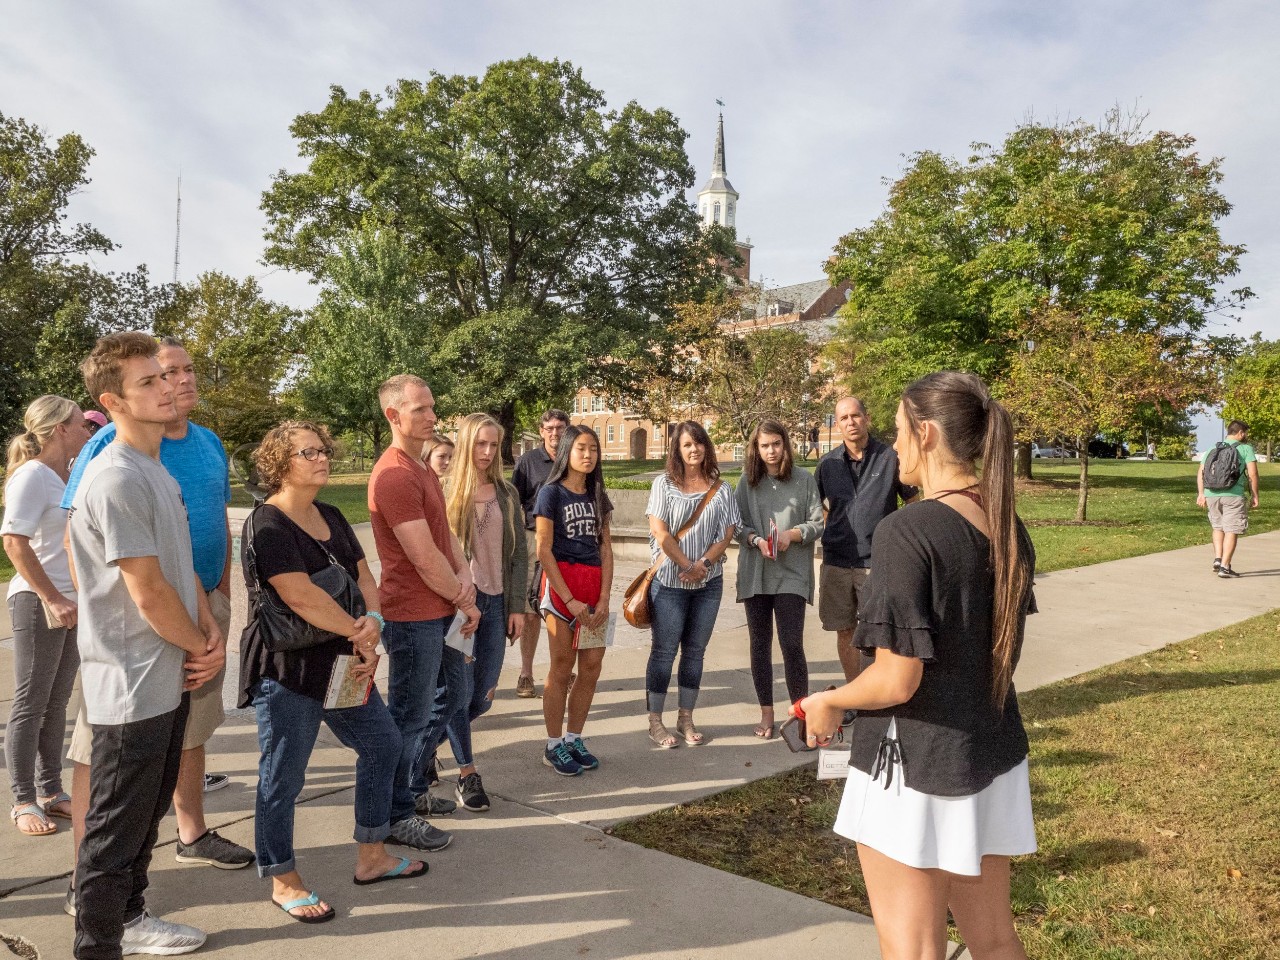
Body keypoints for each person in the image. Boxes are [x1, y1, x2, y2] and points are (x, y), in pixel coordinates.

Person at [794, 371, 1038, 960]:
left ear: (926, 434)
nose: (894, 444)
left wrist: (827, 701)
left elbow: (898, 677)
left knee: (912, 947)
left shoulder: (905, 530)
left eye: (900, 431)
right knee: (995, 939)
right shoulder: (1007, 525)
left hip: (914, 764)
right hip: (990, 752)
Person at [63, 338, 252, 898]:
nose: (178, 383)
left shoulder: (206, 443)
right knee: (99, 749)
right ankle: (90, 874)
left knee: (188, 732)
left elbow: (212, 517)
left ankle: (188, 831)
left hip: (197, 606)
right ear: (119, 398)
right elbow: (81, 535)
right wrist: (101, 607)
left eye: (186, 372)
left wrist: (216, 599)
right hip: (134, 628)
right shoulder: (110, 450)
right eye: (161, 376)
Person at [240, 421, 426, 923]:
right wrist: (358, 631)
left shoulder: (331, 515)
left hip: (344, 660)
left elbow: (366, 579)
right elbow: (299, 596)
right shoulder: (268, 525)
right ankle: (282, 878)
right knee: (282, 777)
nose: (321, 458)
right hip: (290, 670)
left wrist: (373, 626)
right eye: (307, 452)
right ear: (281, 463)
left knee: (383, 744)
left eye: (323, 450)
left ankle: (372, 855)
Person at [368, 374, 478, 846]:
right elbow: (421, 555)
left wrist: (466, 581)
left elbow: (444, 537)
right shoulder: (393, 474)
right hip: (413, 616)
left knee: (454, 697)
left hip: (443, 608)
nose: (433, 416)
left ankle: (412, 789)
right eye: (421, 409)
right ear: (394, 416)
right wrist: (462, 597)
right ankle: (395, 814)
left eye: (432, 407)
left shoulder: (422, 468)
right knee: (410, 715)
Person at [4, 396, 90, 836]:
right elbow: (14, 542)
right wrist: (53, 597)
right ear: (60, 428)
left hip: (70, 603)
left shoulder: (64, 476)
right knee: (30, 703)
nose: (87, 430)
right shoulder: (32, 476)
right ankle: (22, 800)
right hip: (39, 602)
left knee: (56, 703)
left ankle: (51, 791)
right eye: (81, 423)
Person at [441, 413, 529, 811]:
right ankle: (466, 773)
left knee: (482, 698)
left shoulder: (507, 493)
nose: (488, 452)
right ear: (465, 445)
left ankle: (421, 749)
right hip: (460, 606)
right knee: (458, 695)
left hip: (495, 605)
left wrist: (517, 607)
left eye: (494, 444)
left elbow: (518, 555)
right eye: (480, 444)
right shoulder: (444, 492)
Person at [644, 420, 739, 749]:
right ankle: (655, 721)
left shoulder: (721, 488)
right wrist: (686, 565)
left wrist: (704, 565)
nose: (694, 449)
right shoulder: (663, 484)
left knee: (695, 654)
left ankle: (686, 717)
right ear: (678, 450)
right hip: (669, 585)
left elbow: (727, 533)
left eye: (698, 443)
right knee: (664, 653)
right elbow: (660, 532)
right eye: (687, 444)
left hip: (708, 585)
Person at [816, 397, 917, 694]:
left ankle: (877, 696)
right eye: (843, 418)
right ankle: (855, 695)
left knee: (876, 633)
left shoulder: (890, 458)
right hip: (836, 561)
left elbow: (912, 502)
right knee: (844, 630)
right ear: (837, 423)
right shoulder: (827, 464)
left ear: (867, 418)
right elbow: (820, 508)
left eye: (855, 415)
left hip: (876, 561)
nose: (850, 422)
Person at [734, 419, 824, 740]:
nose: (771, 451)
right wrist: (756, 540)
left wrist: (793, 534)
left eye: (776, 444)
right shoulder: (747, 482)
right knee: (760, 645)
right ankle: (767, 713)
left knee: (791, 643)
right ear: (756, 449)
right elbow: (738, 526)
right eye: (764, 445)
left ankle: (800, 713)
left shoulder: (803, 480)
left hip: (792, 574)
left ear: (785, 445)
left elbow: (817, 522)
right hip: (756, 574)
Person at [532, 424, 613, 775]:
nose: (588, 455)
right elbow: (543, 550)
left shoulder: (598, 494)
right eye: (581, 448)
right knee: (561, 667)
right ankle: (553, 744)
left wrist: (605, 597)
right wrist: (569, 599)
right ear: (567, 451)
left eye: (593, 449)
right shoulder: (551, 493)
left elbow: (606, 549)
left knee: (591, 667)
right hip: (562, 587)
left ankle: (574, 737)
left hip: (594, 587)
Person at [511, 408, 569, 697]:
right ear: (541, 430)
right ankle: (526, 673)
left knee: (563, 608)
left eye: (560, 427)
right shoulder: (528, 461)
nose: (555, 433)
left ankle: (561, 669)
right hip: (535, 540)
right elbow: (513, 502)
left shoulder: (576, 455)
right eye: (549, 428)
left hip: (568, 541)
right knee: (531, 611)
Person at [1197, 420, 1260, 579]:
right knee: (1231, 529)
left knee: (1218, 527)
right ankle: (1225, 567)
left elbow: (1201, 472)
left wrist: (1201, 493)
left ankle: (1218, 559)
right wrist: (1255, 495)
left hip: (1211, 494)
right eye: (1245, 433)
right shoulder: (1246, 448)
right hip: (1233, 495)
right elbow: (1252, 475)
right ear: (1240, 433)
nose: (1246, 436)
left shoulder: (1213, 448)